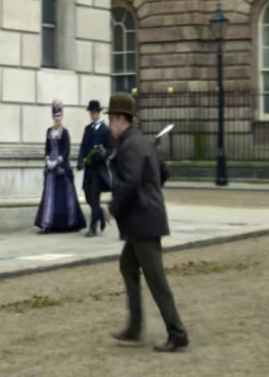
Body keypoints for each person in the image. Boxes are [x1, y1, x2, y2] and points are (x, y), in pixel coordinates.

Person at [105, 93, 188, 352]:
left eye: (111, 119)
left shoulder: (131, 146)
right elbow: (163, 172)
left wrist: (112, 208)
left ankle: (177, 333)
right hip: (145, 218)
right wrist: (151, 191)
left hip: (143, 222)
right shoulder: (142, 142)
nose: (110, 126)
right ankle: (135, 326)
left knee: (156, 281)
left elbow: (129, 184)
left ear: (120, 119)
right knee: (128, 266)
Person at [34, 100, 86, 234]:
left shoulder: (65, 132)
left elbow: (67, 150)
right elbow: (47, 148)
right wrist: (48, 159)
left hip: (62, 168)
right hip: (51, 169)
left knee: (64, 196)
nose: (57, 118)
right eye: (55, 116)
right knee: (49, 195)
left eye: (59, 115)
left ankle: (68, 224)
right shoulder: (49, 132)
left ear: (61, 116)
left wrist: (58, 161)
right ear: (53, 117)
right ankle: (47, 223)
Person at [78, 100, 113, 237]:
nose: (93, 115)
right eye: (91, 113)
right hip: (89, 168)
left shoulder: (105, 130)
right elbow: (83, 147)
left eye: (95, 112)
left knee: (94, 196)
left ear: (99, 113)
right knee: (87, 195)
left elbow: (110, 149)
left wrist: (102, 156)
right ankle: (100, 213)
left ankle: (93, 227)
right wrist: (81, 161)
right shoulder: (88, 129)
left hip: (98, 169)